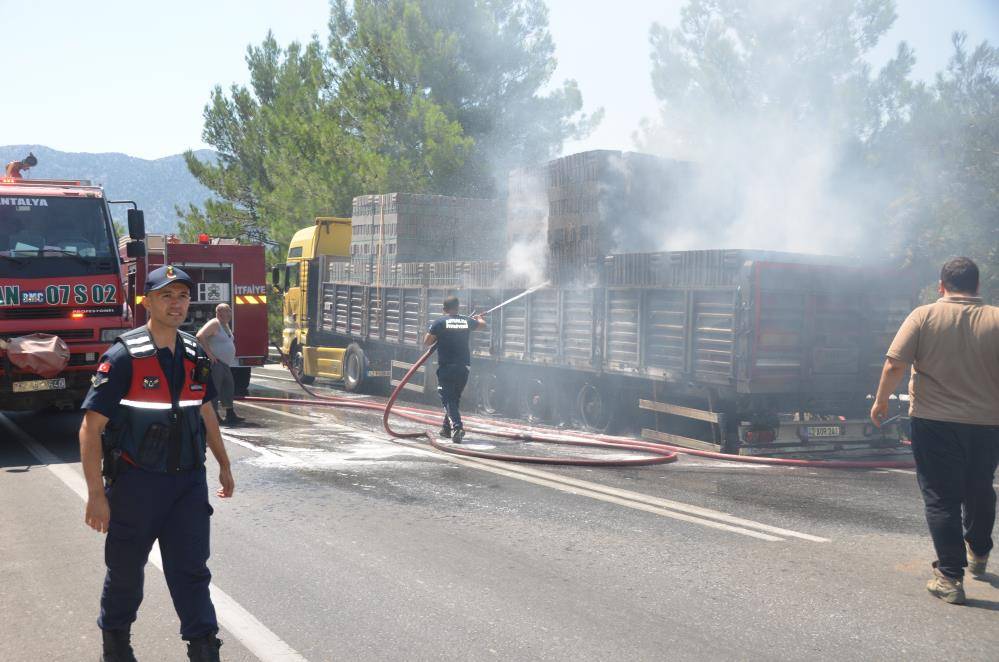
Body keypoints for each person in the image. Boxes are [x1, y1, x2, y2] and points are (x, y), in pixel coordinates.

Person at [79, 265, 235, 661]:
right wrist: (96, 495)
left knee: (192, 572)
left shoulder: (195, 353)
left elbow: (205, 411)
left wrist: (224, 463)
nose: (176, 303)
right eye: (166, 295)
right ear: (147, 302)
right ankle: (115, 646)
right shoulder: (123, 357)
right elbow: (89, 429)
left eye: (182, 295)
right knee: (127, 573)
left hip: (187, 485)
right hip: (136, 486)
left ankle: (203, 649)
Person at [871, 257, 999, 605]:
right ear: (977, 287)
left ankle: (950, 577)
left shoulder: (924, 315)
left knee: (942, 498)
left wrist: (881, 401)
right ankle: (979, 548)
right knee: (979, 487)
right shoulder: (997, 318)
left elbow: (895, 363)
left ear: (941, 285)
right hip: (987, 424)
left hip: (935, 422)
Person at [423, 295, 487, 444]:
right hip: (464, 367)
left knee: (447, 398)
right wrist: (479, 318)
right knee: (454, 398)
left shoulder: (439, 322)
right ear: (458, 307)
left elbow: (427, 342)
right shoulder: (467, 321)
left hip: (447, 367)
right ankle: (446, 428)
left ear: (444, 309)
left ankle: (457, 428)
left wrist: (439, 336)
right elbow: (483, 326)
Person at [196, 303, 245, 426]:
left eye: (229, 311)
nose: (228, 314)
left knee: (228, 387)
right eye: (225, 311)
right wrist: (209, 354)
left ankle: (230, 414)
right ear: (218, 313)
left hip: (225, 364)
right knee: (215, 389)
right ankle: (214, 415)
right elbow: (200, 335)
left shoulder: (225, 325)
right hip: (216, 363)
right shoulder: (215, 323)